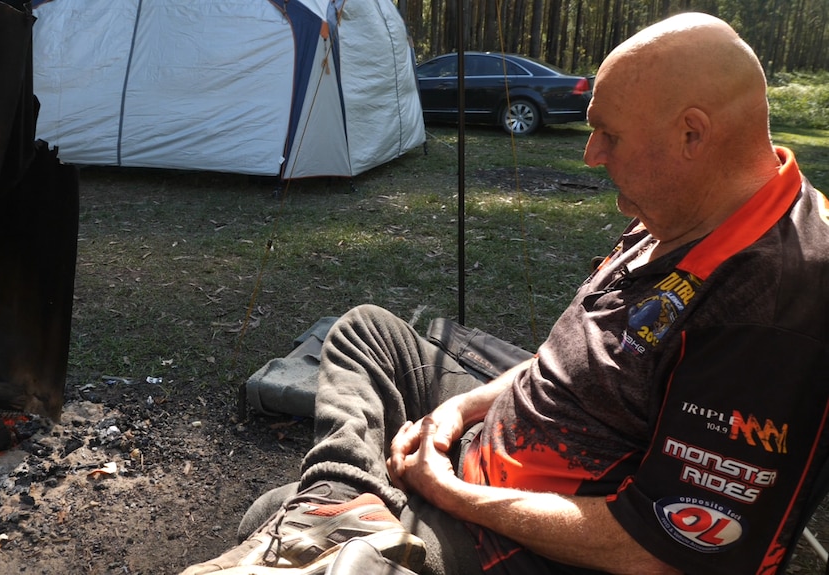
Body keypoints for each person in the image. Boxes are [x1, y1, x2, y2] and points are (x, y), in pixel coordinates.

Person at [181, 12, 829, 575]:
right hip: (500, 445)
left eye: (610, 134)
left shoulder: (775, 306)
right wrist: (458, 414)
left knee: (268, 512)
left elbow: (656, 551)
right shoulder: (685, 210)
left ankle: (343, 518)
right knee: (368, 329)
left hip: (538, 544)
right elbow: (569, 353)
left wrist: (449, 492)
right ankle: (344, 503)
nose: (591, 155)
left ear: (693, 134)